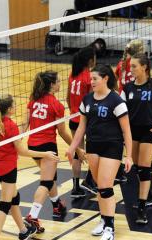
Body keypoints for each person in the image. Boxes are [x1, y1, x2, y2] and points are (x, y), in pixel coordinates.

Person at [66, 64, 132, 240]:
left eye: (94, 78)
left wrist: (129, 156)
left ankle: (110, 228)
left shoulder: (116, 101)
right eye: (91, 78)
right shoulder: (87, 99)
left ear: (105, 79)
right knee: (99, 187)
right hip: (93, 146)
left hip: (112, 147)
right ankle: (104, 220)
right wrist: (72, 147)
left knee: (105, 186)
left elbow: (126, 131)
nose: (91, 81)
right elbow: (82, 127)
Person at [0, 95, 58, 240]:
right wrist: (45, 154)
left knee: (14, 198)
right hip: (8, 169)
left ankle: (23, 230)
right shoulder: (10, 126)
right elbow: (22, 151)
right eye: (14, 105)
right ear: (9, 109)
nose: (16, 107)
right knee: (4, 205)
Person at [23, 71, 84, 233]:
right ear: (51, 85)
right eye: (57, 82)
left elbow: (24, 125)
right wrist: (77, 147)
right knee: (46, 182)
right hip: (47, 147)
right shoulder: (56, 105)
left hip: (32, 147)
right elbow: (63, 133)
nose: (59, 84)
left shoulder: (33, 100)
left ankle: (56, 204)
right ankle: (32, 216)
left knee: (50, 178)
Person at [120, 53, 152, 224]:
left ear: (144, 67)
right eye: (130, 66)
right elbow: (121, 112)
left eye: (134, 66)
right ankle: (147, 195)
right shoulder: (127, 88)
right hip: (132, 131)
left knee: (144, 169)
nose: (131, 69)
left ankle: (142, 208)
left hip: (149, 130)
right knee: (134, 168)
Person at [67, 46, 96, 198]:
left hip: (73, 118)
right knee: (93, 150)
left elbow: (67, 97)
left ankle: (75, 188)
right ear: (90, 60)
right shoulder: (89, 77)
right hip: (86, 119)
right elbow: (92, 101)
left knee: (78, 152)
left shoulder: (73, 74)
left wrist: (73, 111)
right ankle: (90, 180)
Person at [114, 39, 145, 181]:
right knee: (131, 132)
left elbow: (115, 80)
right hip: (133, 101)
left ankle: (122, 163)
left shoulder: (121, 64)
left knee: (123, 133)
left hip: (121, 101)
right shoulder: (136, 65)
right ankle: (133, 160)